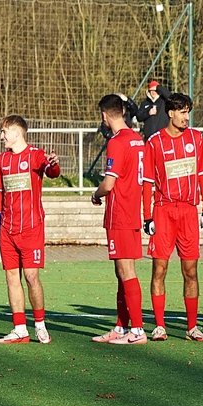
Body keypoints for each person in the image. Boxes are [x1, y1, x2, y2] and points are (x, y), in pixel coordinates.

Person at [141, 91, 203, 341]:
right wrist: (147, 216)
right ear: (170, 113)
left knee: (190, 271)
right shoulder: (154, 142)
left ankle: (192, 327)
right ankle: (159, 326)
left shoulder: (196, 138)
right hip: (163, 211)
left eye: (188, 112)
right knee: (159, 269)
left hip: (189, 212)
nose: (186, 117)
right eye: (182, 112)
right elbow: (147, 181)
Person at [0, 115, 61, 344]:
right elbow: (0, 193)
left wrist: (54, 164)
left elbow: (52, 172)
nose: (1, 137)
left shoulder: (35, 155)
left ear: (16, 132)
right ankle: (20, 329)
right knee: (12, 277)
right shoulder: (2, 160)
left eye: (4, 132)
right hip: (7, 228)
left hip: (31, 228)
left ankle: (40, 325)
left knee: (31, 277)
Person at [90, 94, 147, 345]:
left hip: (120, 214)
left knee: (126, 271)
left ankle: (138, 330)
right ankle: (121, 327)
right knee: (121, 272)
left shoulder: (117, 141)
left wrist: (95, 194)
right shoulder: (137, 139)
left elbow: (108, 183)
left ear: (105, 116)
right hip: (132, 211)